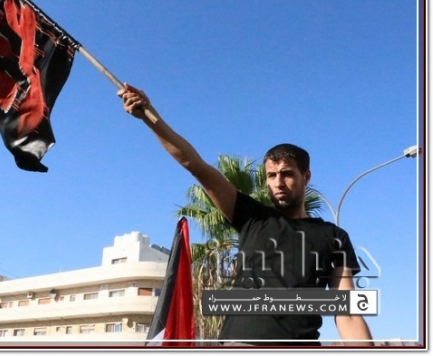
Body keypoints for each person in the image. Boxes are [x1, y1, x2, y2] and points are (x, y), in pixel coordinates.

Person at [117, 83, 373, 346]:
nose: (278, 183)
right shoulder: (252, 217)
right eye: (271, 175)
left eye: (287, 173)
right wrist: (149, 116)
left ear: (306, 176)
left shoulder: (334, 236)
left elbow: (348, 312)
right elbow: (194, 164)